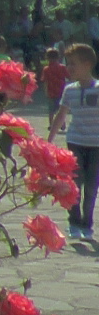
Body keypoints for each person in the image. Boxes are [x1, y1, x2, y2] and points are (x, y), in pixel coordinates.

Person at [48, 42, 99, 240]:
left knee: (92, 186)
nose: (68, 68)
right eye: (67, 63)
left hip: (96, 145)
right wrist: (49, 140)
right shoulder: (69, 90)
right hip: (75, 142)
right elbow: (61, 115)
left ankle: (87, 224)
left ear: (87, 64)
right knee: (73, 184)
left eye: (73, 64)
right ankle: (74, 221)